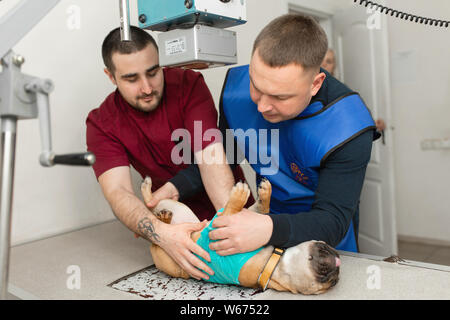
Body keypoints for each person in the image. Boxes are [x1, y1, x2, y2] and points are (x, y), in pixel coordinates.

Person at [170, 14, 380, 255]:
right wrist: (174, 187)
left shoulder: (348, 126)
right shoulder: (235, 93)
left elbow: (332, 220)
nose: (261, 107)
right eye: (256, 88)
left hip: (323, 242)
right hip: (263, 227)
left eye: (280, 97)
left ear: (316, 83)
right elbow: (224, 158)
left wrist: (266, 229)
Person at [85, 26, 252, 280]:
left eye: (153, 72)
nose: (147, 87)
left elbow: (211, 157)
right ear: (111, 76)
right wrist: (162, 235)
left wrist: (230, 222)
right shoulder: (101, 123)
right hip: (178, 232)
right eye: (132, 79)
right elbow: (118, 192)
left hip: (233, 210)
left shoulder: (188, 84)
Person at [321, 48, 386, 133]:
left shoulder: (342, 90)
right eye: (320, 60)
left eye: (328, 61)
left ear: (334, 67)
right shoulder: (306, 89)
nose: (323, 64)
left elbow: (353, 116)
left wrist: (374, 124)